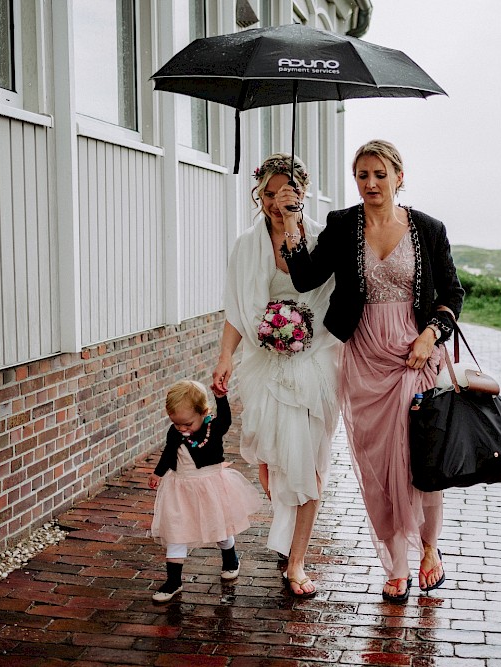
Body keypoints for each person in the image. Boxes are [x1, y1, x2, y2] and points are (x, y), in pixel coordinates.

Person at [280, 139, 464, 603]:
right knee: (380, 463)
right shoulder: (343, 225)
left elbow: (453, 294)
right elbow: (305, 278)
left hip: (416, 355)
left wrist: (431, 334)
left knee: (420, 457)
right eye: (362, 175)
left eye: (380, 174)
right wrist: (290, 221)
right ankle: (396, 564)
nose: (370, 183)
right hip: (363, 356)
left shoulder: (428, 228)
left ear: (400, 177)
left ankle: (429, 549)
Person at [212, 154, 341, 599]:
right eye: (268, 194)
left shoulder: (323, 239)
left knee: (308, 462)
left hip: (316, 361)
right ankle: (287, 529)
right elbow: (236, 305)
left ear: (301, 194)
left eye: (284, 193)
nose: (274, 201)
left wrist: (292, 224)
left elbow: (318, 293)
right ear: (259, 194)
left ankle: (298, 558)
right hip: (265, 362)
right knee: (271, 463)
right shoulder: (246, 244)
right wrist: (226, 356)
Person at [149, 380, 263, 602]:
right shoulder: (174, 433)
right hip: (180, 488)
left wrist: (221, 398)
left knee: (219, 526)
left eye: (187, 424)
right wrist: (158, 473)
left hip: (209, 487)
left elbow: (227, 419)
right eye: (176, 423)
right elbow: (167, 454)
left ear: (203, 413)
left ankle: (230, 558)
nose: (181, 429)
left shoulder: (213, 428)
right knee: (176, 531)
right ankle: (174, 581)